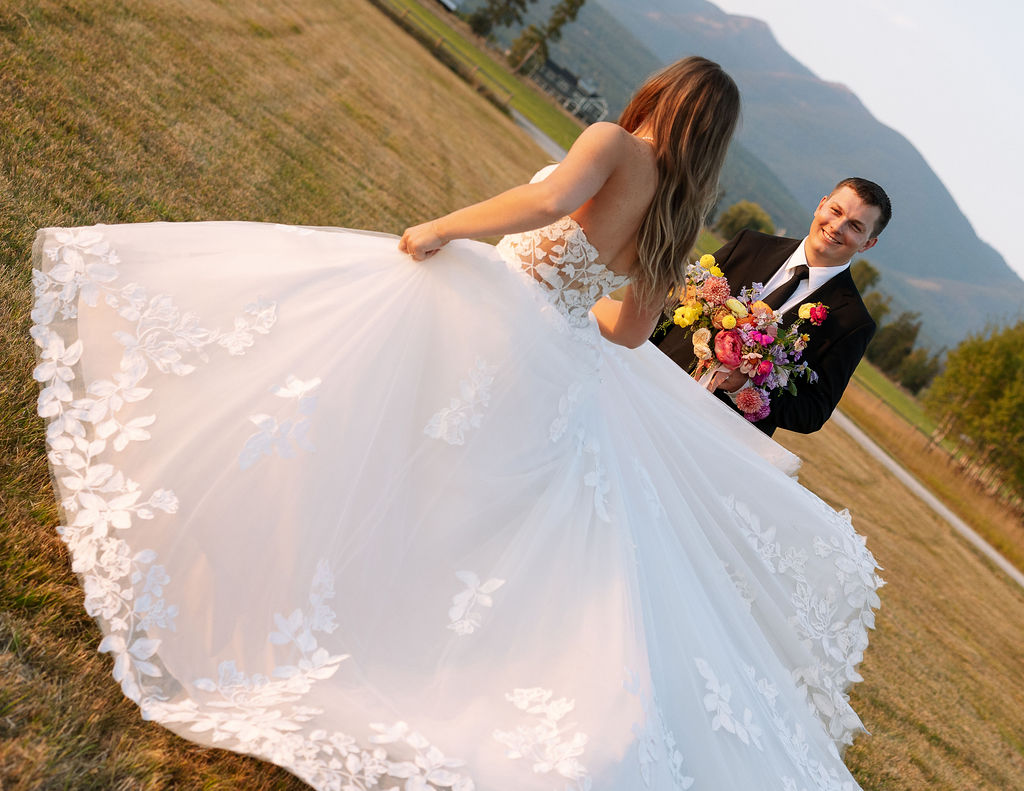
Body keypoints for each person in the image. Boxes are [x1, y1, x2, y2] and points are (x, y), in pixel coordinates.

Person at [30, 57, 881, 790]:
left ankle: (275, 568)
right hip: (551, 354)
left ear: (662, 94)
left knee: (348, 408)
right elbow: (626, 330)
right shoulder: (679, 213)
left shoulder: (612, 144)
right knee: (453, 499)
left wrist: (444, 228)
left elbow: (544, 201)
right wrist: (565, 308)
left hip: (493, 308)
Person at [653, 179, 891, 436]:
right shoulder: (750, 244)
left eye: (855, 226)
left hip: (718, 436)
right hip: (653, 381)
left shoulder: (853, 321)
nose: (837, 226)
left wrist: (743, 388)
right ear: (821, 205)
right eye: (836, 211)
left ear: (868, 244)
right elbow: (673, 310)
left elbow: (813, 412)